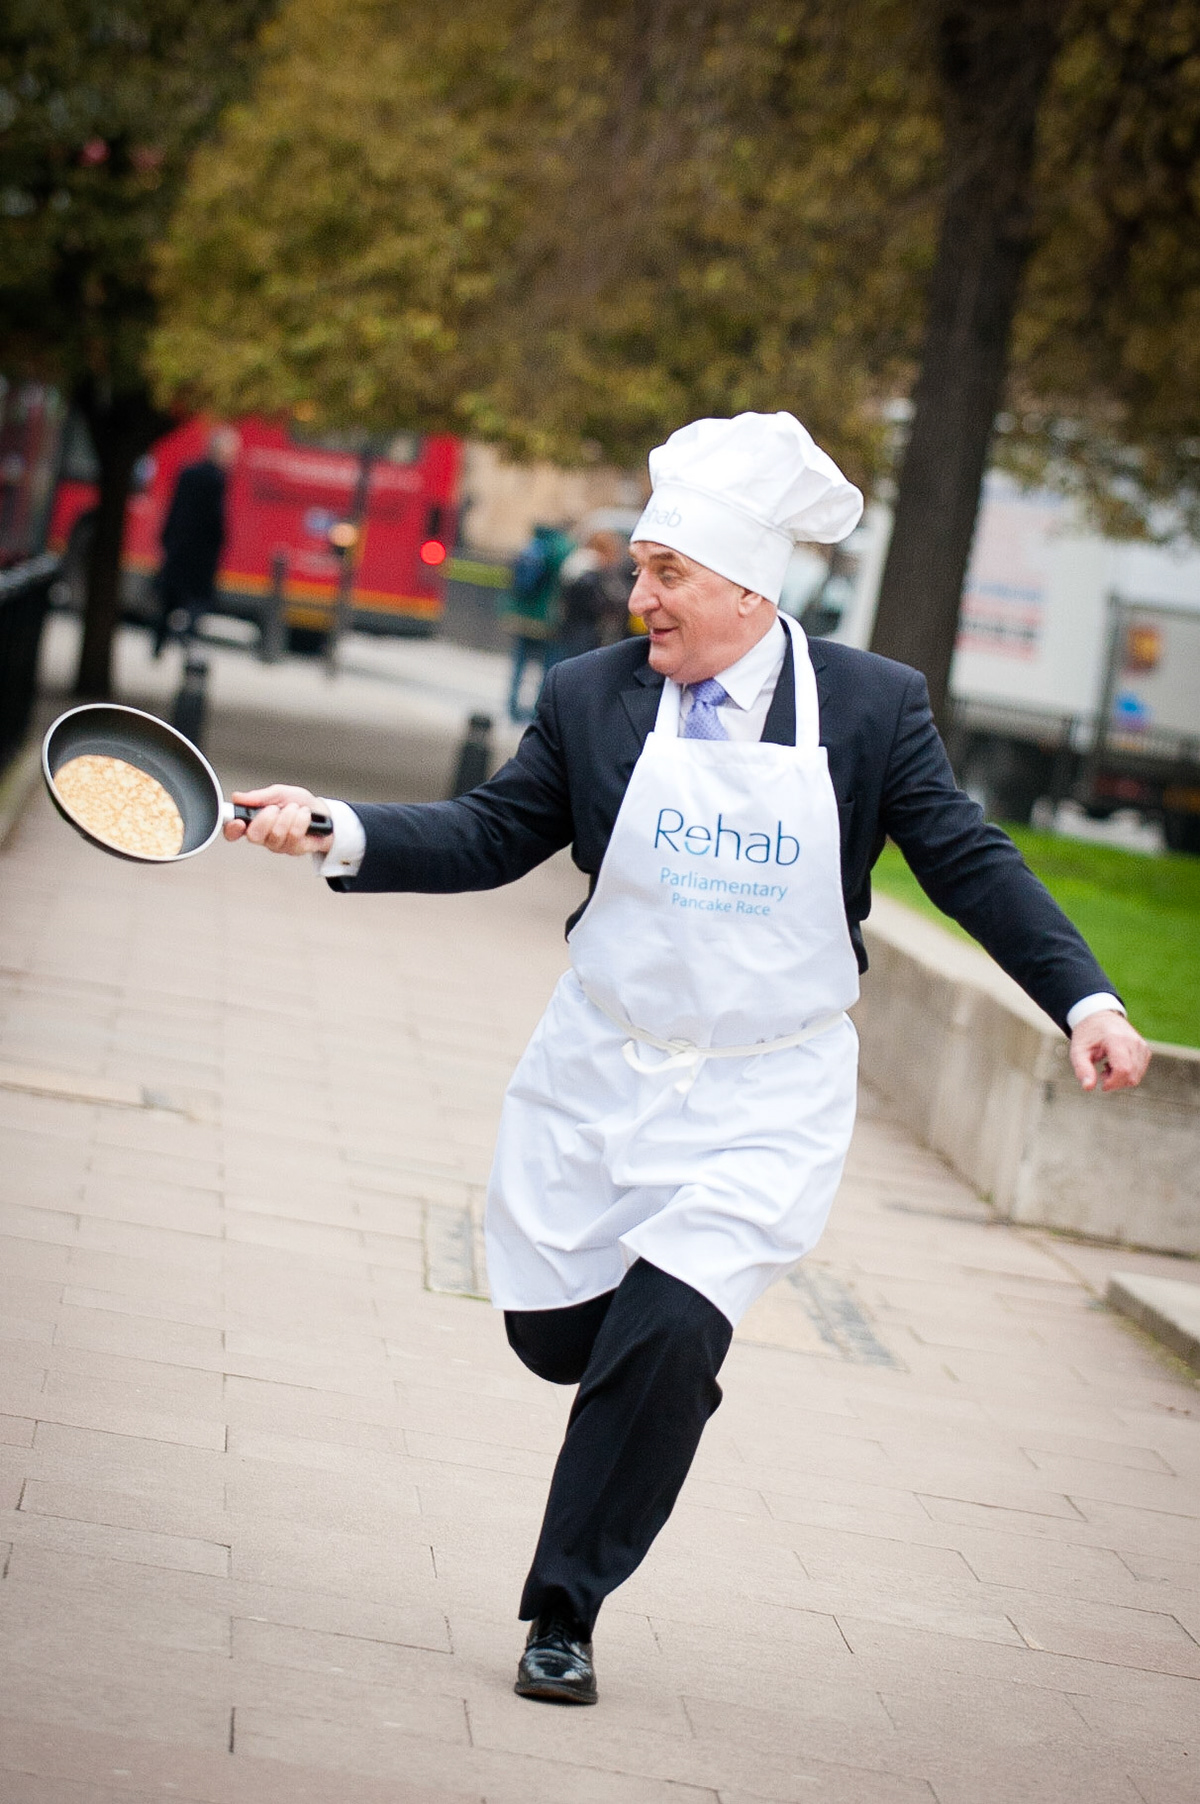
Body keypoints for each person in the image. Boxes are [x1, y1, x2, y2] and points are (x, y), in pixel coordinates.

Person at [223, 411, 1150, 1707]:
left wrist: (1087, 1000)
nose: (635, 592)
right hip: (602, 1073)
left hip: (766, 1092)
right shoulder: (592, 697)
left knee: (667, 1327)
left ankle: (564, 1607)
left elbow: (970, 864)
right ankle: (652, 1392)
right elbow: (491, 834)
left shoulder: (872, 711)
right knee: (562, 1344)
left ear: (745, 589)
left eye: (663, 572)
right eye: (641, 569)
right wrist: (333, 827)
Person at [151, 425, 239, 657]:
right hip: (200, 551)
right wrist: (221, 541)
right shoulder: (217, 480)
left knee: (171, 598)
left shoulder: (188, 472)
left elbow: (174, 508)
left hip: (180, 546)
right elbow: (215, 518)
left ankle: (160, 640)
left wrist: (167, 538)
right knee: (197, 600)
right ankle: (186, 637)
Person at [502, 521, 574, 721]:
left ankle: (512, 705)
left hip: (522, 617)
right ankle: (537, 711)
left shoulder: (532, 544)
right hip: (546, 621)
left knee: (519, 665)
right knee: (548, 669)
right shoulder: (564, 549)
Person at [549, 529, 635, 663]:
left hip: (568, 628)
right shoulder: (590, 575)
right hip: (582, 632)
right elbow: (595, 604)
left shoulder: (576, 566)